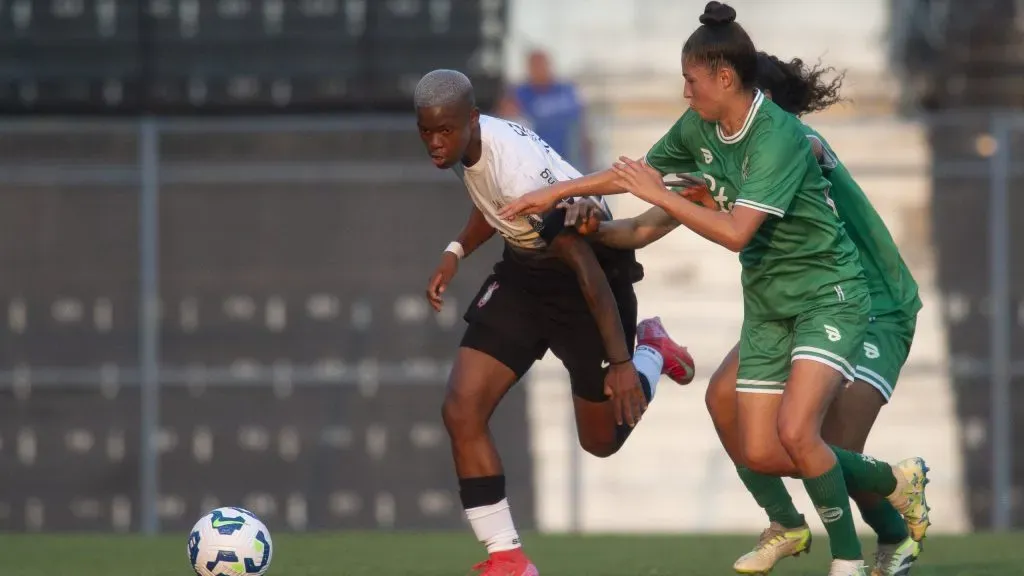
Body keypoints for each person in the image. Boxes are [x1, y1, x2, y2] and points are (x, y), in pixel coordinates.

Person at [496, 3, 930, 575]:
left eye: (694, 84)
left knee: (817, 442)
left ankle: (894, 522)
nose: (688, 98)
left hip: (870, 302)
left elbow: (721, 223)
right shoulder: (721, 149)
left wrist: (657, 195)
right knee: (732, 406)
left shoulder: (793, 143)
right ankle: (791, 522)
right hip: (783, 304)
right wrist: (578, 217)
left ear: (745, 95)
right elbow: (646, 214)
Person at [414, 68, 695, 576]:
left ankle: (654, 348)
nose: (435, 142)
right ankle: (508, 558)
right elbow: (492, 204)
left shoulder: (514, 165)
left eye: (444, 131)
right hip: (525, 276)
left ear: (471, 120)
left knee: (601, 442)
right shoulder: (464, 145)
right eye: (426, 131)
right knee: (461, 408)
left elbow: (584, 265)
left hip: (585, 282)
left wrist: (624, 361)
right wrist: (455, 251)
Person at [499, 49, 593, 171]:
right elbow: (506, 129)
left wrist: (589, 162)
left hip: (569, 162)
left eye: (541, 64)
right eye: (534, 65)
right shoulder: (518, 93)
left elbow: (582, 129)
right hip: (537, 165)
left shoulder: (567, 90)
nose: (538, 69)